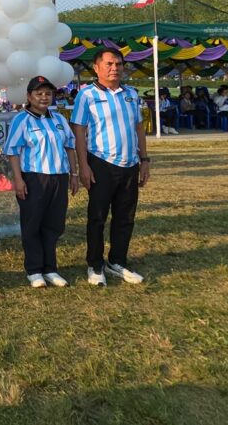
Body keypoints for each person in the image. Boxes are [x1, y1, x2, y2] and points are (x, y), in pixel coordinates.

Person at [70, 48, 149, 287]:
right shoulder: (87, 95)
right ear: (96, 68)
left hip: (130, 164)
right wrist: (83, 166)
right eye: (109, 64)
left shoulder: (131, 94)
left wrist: (144, 160)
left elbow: (138, 128)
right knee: (97, 217)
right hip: (101, 163)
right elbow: (79, 131)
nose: (115, 68)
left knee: (126, 216)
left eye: (119, 64)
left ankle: (117, 261)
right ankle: (95, 264)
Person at [5, 76, 77, 288]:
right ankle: (34, 269)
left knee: (54, 224)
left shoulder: (59, 119)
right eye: (39, 93)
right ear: (29, 96)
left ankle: (50, 268)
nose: (44, 97)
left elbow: (70, 146)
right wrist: (18, 180)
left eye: (48, 93)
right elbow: (12, 152)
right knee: (32, 224)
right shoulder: (21, 120)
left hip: (59, 177)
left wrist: (74, 174)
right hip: (34, 178)